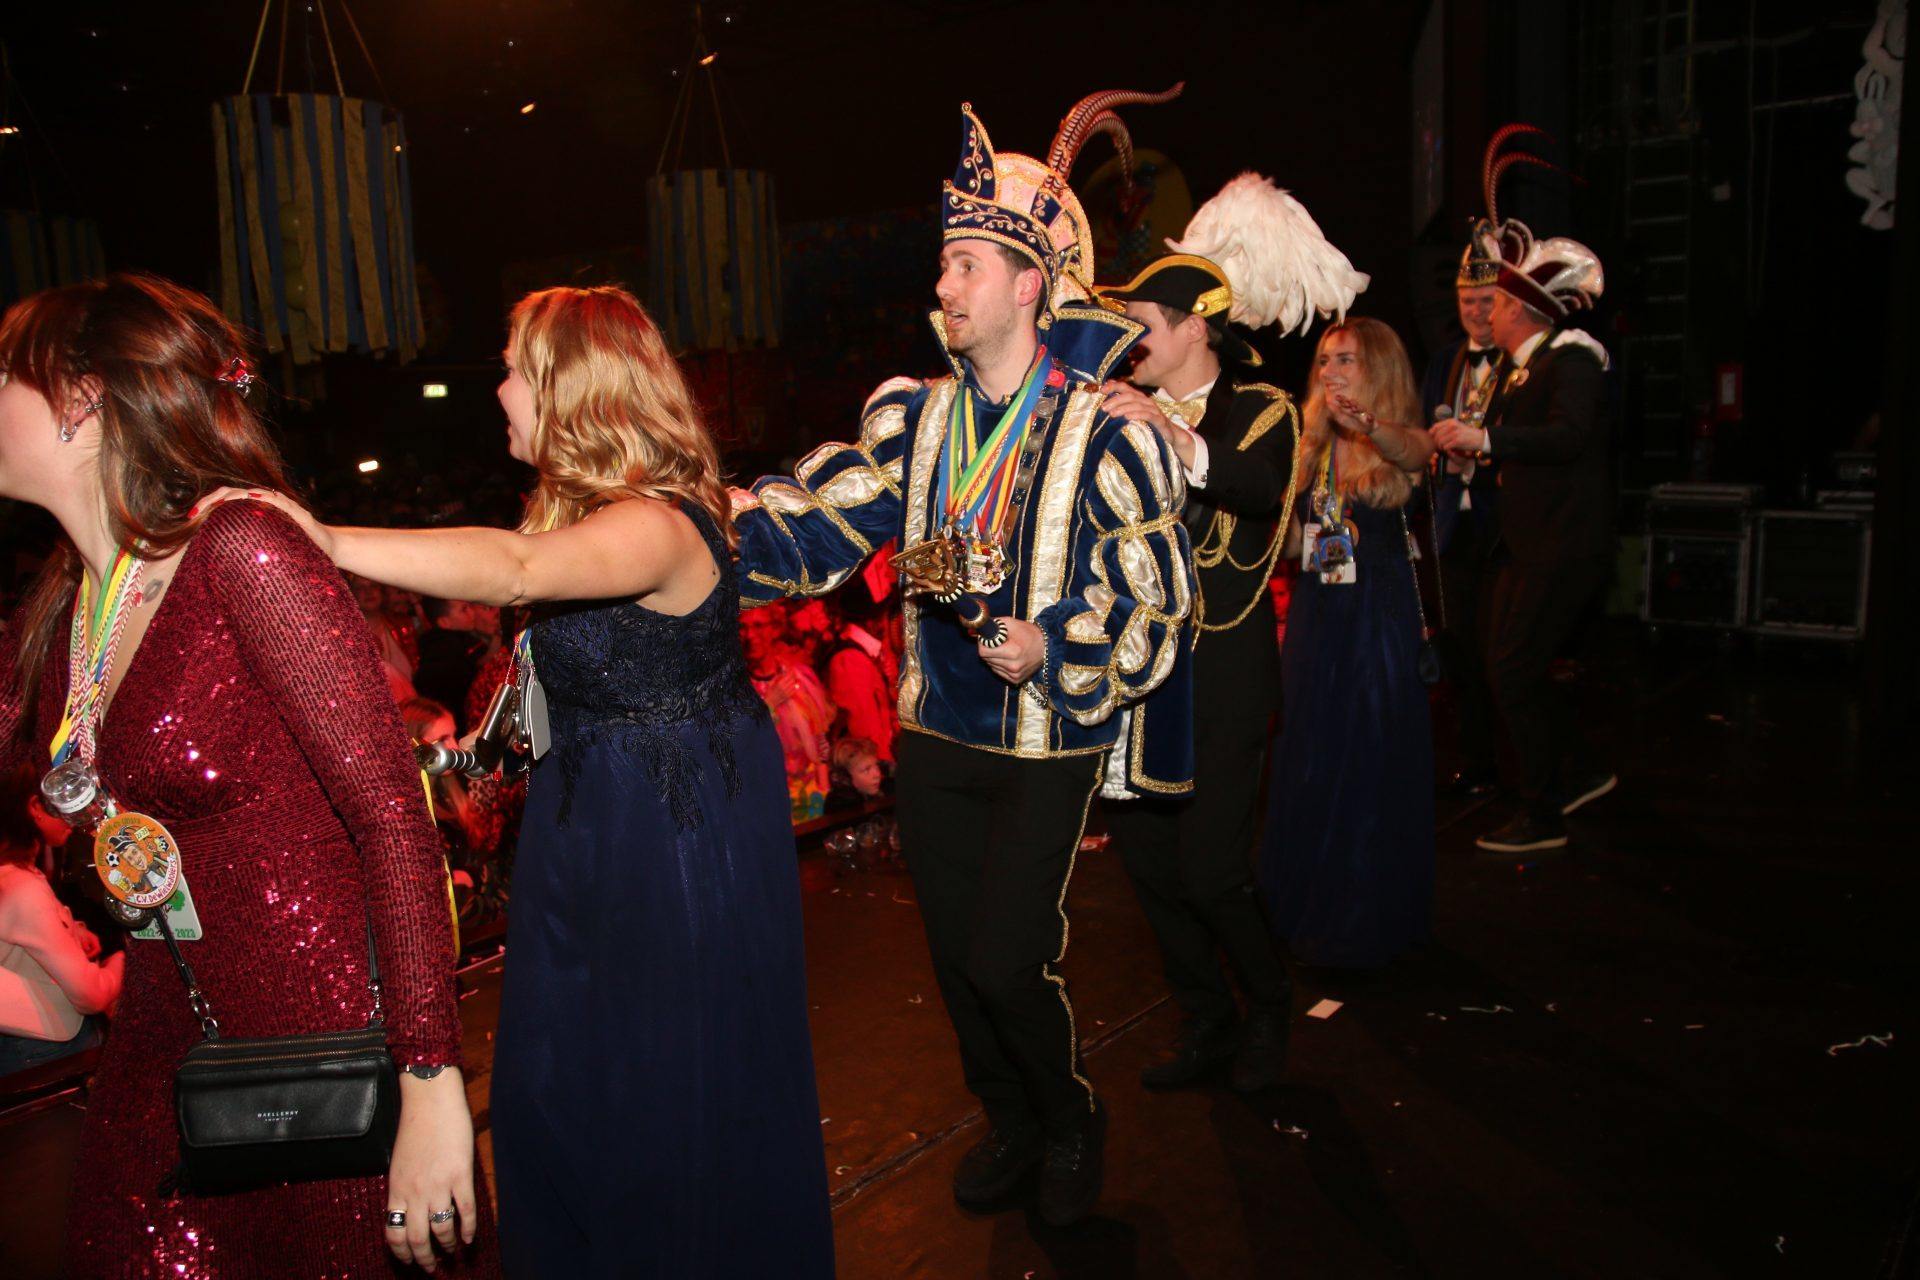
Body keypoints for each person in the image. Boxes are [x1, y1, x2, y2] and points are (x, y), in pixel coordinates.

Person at [217, 284, 834, 1277]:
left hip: (666, 843)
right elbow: (560, 673)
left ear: (569, 386)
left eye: (511, 369)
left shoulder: (664, 522)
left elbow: (512, 569)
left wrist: (321, 541)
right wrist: (470, 752)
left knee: (661, 1103)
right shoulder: (577, 515)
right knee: (559, 1090)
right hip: (582, 829)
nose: (497, 389)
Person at [734, 87, 1192, 1226]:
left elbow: (1156, 600)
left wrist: (1055, 639)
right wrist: (702, 527)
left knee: (1005, 961)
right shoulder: (915, 419)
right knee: (954, 961)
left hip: (1044, 744)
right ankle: (1012, 1118)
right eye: (944, 264)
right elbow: (818, 522)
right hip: (935, 733)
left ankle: (1070, 1117)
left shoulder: (1107, 429)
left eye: (964, 265)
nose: (941, 285)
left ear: (1029, 284)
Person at [0, 273, 491, 1275]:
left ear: (83, 398)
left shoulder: (239, 550)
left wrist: (429, 1079)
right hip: (162, 1035)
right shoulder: (68, 608)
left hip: (318, 1046)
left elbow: (393, 815)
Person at [1091, 174, 1367, 1093]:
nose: (1129, 344)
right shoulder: (1116, 414)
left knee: (1212, 872)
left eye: (1142, 327)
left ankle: (1269, 1006)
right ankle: (1206, 1020)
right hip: (1138, 680)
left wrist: (1172, 441)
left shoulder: (1264, 409)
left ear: (1194, 330)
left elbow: (1256, 487)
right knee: (1150, 869)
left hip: (1224, 678)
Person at [1431, 127, 1616, 854]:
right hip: (1528, 546)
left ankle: (1542, 810)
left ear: (1522, 310)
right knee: (1508, 664)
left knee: (1511, 666)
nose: (1487, 313)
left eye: (1498, 303)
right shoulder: (1520, 369)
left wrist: (1486, 442)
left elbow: (1568, 437)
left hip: (1562, 547)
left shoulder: (1573, 359)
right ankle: (1577, 771)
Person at [1259, 317, 1437, 969]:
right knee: (1310, 750)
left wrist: (1368, 425)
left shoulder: (1393, 438)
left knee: (1367, 757)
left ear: (1379, 369)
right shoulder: (1307, 445)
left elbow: (1416, 454)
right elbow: (1287, 542)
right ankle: (1306, 899)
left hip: (1375, 622)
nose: (1331, 372)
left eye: (1347, 360)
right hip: (1318, 617)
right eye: (1325, 360)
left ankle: (1363, 914)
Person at [1420, 200, 1509, 797]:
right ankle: (1478, 761)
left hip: (1507, 529)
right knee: (1460, 650)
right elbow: (1425, 430)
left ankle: (1513, 760)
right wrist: (1439, 455)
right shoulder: (1446, 361)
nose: (1476, 312)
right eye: (1468, 301)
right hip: (1454, 524)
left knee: (1502, 651)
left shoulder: (1523, 362)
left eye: (1486, 301)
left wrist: (1483, 453)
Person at [0, 764, 122, 1077]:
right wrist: (124, 959)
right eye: (62, 801)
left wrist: (72, 932)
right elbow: (91, 995)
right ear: (34, 807)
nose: (74, 816)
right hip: (46, 1049)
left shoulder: (15, 873)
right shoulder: (21, 885)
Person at [742, 601, 837, 819]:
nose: (750, 635)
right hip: (768, 800)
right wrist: (769, 704)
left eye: (759, 626)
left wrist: (824, 791)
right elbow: (740, 745)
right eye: (743, 628)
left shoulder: (800, 678)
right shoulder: (736, 688)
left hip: (811, 796)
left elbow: (820, 742)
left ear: (775, 628)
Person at [414, 596, 502, 733]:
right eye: (464, 609)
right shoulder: (446, 650)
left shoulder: (463, 642)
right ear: (444, 622)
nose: (472, 613)